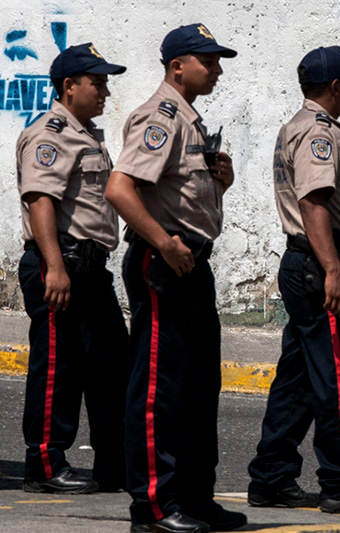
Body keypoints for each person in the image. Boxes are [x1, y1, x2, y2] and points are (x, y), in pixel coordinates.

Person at [104, 23, 244, 533]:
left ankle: (194, 497)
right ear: (177, 65)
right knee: (159, 387)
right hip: (163, 262)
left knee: (198, 385)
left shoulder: (190, 121)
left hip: (191, 262)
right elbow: (120, 189)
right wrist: (163, 242)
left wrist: (219, 185)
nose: (217, 69)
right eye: (208, 60)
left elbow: (182, 197)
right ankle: (154, 507)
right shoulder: (159, 117)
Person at [247, 45, 340, 516]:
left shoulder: (300, 127)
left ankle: (271, 477)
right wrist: (333, 270)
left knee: (298, 379)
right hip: (319, 265)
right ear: (334, 87)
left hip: (307, 264)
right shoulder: (318, 134)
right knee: (336, 378)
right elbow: (314, 204)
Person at [16, 43, 128, 495]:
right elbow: (40, 200)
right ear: (69, 86)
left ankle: (113, 464)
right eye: (96, 83)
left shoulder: (86, 135)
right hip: (59, 263)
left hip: (90, 268)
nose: (104, 91)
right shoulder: (51, 134)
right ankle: (45, 462)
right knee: (58, 368)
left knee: (109, 366)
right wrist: (55, 267)